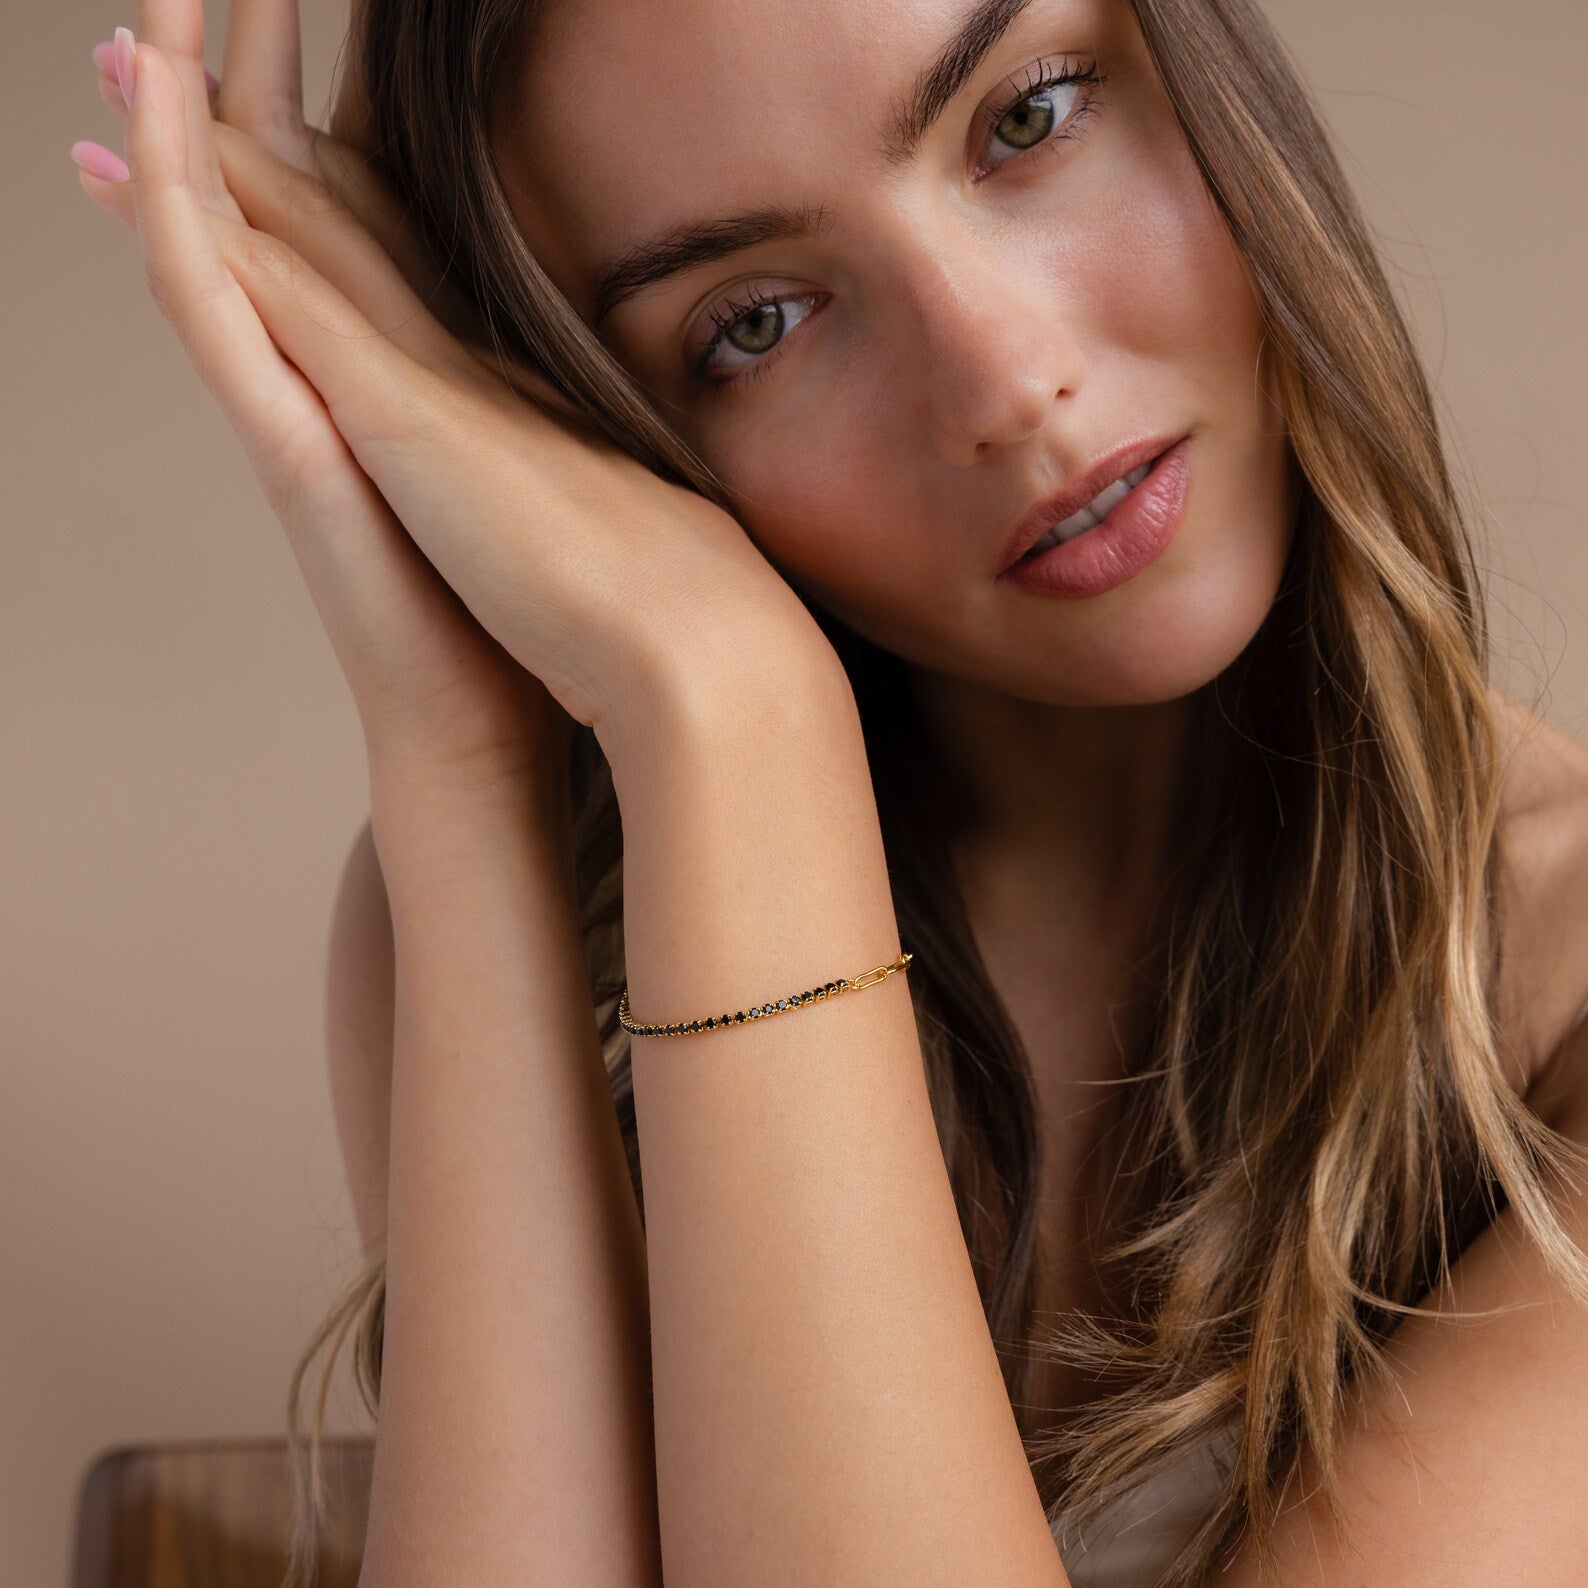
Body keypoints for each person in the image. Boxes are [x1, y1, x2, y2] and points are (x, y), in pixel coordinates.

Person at [71, 0, 1588, 1581]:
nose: (1004, 379)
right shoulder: (539, 906)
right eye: (753, 322)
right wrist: (477, 753)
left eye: (1030, 117)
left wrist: (744, 722)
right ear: (594, 430)